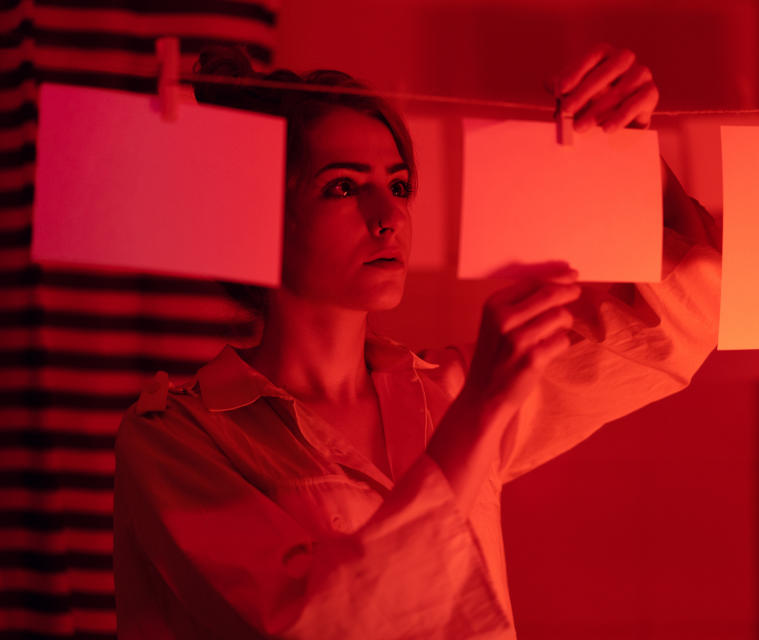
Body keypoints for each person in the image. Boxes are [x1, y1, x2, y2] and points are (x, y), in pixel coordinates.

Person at [112, 43, 722, 639]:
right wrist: (482, 409)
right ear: (259, 214)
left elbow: (675, 329)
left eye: (399, 185)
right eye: (344, 187)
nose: (388, 215)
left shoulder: (445, 390)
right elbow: (316, 623)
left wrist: (634, 152)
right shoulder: (174, 438)